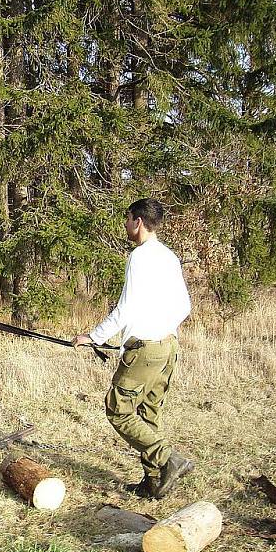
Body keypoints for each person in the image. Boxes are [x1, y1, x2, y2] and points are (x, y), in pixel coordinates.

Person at [71, 198, 193, 499]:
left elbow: (125, 309)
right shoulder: (169, 256)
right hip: (168, 347)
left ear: (138, 222)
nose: (125, 224)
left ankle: (167, 459)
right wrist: (161, 328)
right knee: (148, 412)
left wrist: (94, 337)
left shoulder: (140, 257)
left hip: (146, 350)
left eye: (127, 219)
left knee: (118, 409)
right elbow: (185, 306)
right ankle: (153, 483)